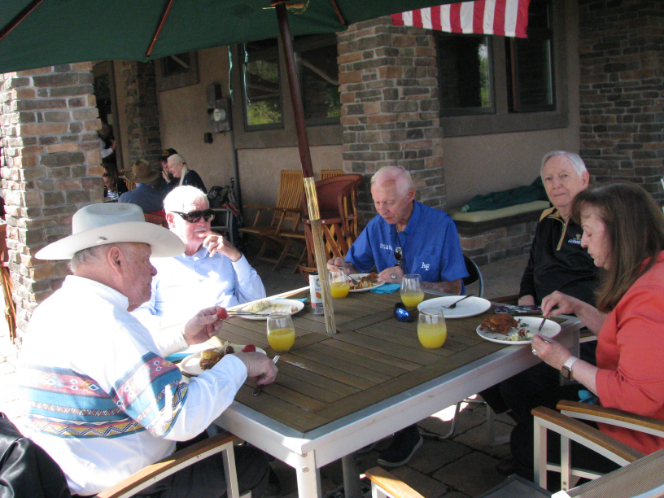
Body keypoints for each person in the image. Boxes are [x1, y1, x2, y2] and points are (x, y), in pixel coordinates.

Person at [19, 202, 278, 497]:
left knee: (212, 431)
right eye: (145, 259)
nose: (153, 270)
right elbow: (180, 419)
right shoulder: (107, 323)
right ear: (116, 259)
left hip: (70, 475)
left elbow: (116, 363)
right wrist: (242, 364)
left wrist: (183, 335)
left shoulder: (55, 308)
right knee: (251, 463)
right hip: (129, 487)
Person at [512, 181, 664, 479]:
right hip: (636, 415)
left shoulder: (648, 299)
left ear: (622, 235)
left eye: (590, 233)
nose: (582, 243)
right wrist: (580, 307)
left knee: (524, 440)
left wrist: (565, 361)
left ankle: (579, 484)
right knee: (533, 397)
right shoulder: (651, 272)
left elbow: (636, 397)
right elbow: (626, 338)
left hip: (644, 443)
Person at [328, 165, 468, 467]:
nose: (382, 210)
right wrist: (342, 267)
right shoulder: (377, 226)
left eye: (389, 202)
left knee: (391, 356)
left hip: (434, 316)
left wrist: (410, 281)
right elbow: (355, 266)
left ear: (411, 195)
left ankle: (406, 431)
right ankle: (377, 424)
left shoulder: (440, 225)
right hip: (389, 315)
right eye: (377, 202)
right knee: (355, 347)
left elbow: (454, 288)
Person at [478, 151, 599, 473]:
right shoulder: (548, 220)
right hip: (538, 317)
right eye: (548, 178)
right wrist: (526, 296)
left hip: (580, 326)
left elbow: (604, 283)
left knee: (521, 380)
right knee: (482, 363)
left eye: (564, 176)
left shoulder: (597, 225)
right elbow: (532, 268)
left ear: (584, 179)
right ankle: (532, 431)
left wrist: (570, 304)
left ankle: (535, 446)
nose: (555, 185)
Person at [133, 186, 266, 331]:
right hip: (184, 342)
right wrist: (181, 335)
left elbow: (257, 302)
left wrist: (236, 256)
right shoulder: (153, 261)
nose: (202, 222)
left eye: (207, 215)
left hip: (235, 334)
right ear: (172, 220)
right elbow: (140, 317)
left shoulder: (223, 253)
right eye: (193, 215)